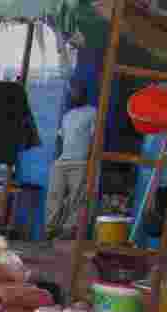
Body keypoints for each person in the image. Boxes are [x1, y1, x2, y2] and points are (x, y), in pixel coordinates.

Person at [46, 87, 98, 240]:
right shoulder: (67, 115)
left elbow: (95, 137)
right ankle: (51, 229)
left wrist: (90, 160)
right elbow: (60, 138)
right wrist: (56, 159)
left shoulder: (92, 112)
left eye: (77, 93)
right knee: (54, 195)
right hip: (62, 161)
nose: (74, 96)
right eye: (73, 94)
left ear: (84, 95)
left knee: (76, 198)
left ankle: (69, 230)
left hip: (80, 161)